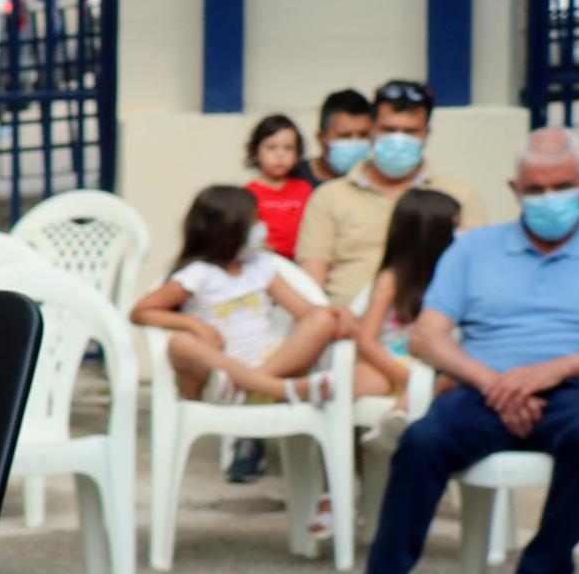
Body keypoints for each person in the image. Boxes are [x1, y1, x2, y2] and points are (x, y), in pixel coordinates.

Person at [317, 131, 579, 574]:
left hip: (574, 392)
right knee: (420, 443)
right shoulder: (474, 250)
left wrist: (555, 371)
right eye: (535, 188)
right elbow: (426, 335)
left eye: (561, 187)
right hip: (484, 390)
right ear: (515, 188)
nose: (547, 198)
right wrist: (496, 383)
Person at [134, 181, 342, 406]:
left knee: (322, 320)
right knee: (180, 343)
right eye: (254, 221)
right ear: (228, 230)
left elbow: (305, 312)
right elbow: (141, 312)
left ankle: (254, 386)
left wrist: (336, 316)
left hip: (269, 364)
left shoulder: (261, 266)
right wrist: (194, 325)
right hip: (218, 378)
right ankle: (276, 389)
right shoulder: (198, 275)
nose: (262, 227)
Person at [294, 79, 439, 318]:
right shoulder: (329, 196)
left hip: (425, 331)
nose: (398, 140)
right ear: (372, 130)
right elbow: (311, 285)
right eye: (389, 130)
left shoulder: (454, 197)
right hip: (344, 330)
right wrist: (332, 321)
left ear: (426, 134)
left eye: (410, 132)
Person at [346, 187, 463, 406]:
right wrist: (408, 378)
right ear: (432, 233)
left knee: (450, 386)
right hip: (390, 362)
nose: (462, 233)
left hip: (437, 364)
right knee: (370, 382)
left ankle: (396, 422)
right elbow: (367, 341)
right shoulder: (390, 280)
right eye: (455, 226)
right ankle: (389, 426)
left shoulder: (456, 277)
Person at [244, 113, 315, 260]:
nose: (280, 155)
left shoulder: (305, 189)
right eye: (271, 148)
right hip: (264, 261)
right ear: (255, 152)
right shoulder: (249, 193)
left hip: (302, 260)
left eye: (288, 148)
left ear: (298, 154)